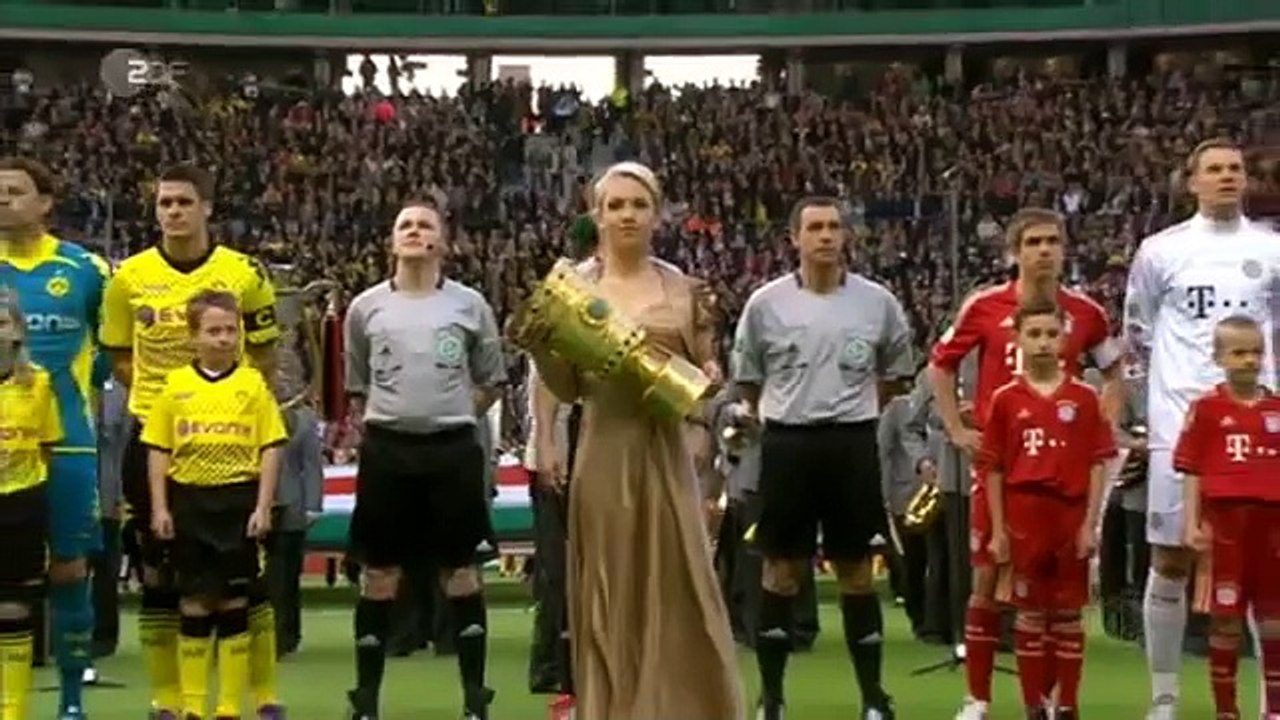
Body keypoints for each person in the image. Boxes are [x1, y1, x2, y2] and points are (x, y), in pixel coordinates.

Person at [523, 161, 742, 719]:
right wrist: (545, 348)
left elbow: (707, 372)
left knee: (683, 587)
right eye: (615, 205)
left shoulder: (686, 288)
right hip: (602, 450)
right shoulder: (576, 290)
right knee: (608, 591)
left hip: (669, 453)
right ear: (596, 215)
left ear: (657, 214)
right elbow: (568, 386)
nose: (627, 214)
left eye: (638, 204)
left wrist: (704, 403)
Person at [98, 164, 282, 720]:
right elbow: (118, 353)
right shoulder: (128, 278)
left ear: (206, 207)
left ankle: (261, 695)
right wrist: (169, 400)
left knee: (244, 573)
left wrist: (225, 402)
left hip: (232, 445)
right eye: (164, 203)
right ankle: (169, 699)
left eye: (183, 201)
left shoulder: (246, 273)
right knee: (159, 570)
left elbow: (267, 352)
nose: (172, 211)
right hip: (155, 443)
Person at [927, 207, 1122, 720]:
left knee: (1058, 597)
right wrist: (955, 427)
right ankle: (979, 698)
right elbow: (940, 364)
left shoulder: (1087, 313)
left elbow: (1116, 370)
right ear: (1015, 251)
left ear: (1064, 248)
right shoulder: (985, 306)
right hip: (1000, 466)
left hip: (1061, 474)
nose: (1044, 250)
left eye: (1053, 241)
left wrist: (1101, 424)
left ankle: (1052, 702)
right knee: (988, 580)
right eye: (1033, 241)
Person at [732, 195, 915, 720]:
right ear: (795, 238)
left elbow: (897, 373)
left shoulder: (877, 302)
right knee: (781, 571)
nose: (826, 236)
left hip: (852, 445)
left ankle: (874, 698)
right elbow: (748, 379)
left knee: (857, 571)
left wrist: (851, 408)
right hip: (788, 445)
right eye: (815, 227)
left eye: (835, 226)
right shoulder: (765, 304)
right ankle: (772, 697)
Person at [1123, 138, 1280, 719]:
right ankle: (1164, 699)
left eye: (1236, 168)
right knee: (1170, 557)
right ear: (1191, 182)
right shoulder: (1160, 252)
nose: (1226, 177)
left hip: (1259, 431)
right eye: (1213, 169)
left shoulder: (1272, 250)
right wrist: (1149, 418)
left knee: (1270, 566)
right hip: (1181, 424)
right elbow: (1136, 336)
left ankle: (1272, 703)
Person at [342, 198, 505, 720]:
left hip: (452, 450)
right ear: (392, 241)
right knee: (380, 573)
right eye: (405, 225)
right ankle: (366, 699)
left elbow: (491, 379)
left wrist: (452, 411)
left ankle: (474, 698)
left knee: (461, 571)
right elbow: (357, 384)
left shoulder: (470, 305)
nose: (414, 232)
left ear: (443, 242)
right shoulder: (365, 308)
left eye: (424, 225)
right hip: (388, 449)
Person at [143, 290, 286, 720]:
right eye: (214, 331)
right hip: (190, 502)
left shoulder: (253, 386)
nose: (224, 339)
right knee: (193, 601)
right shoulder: (175, 387)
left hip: (238, 499)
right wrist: (160, 507)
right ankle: (191, 706)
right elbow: (158, 449)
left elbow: (271, 447)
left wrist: (263, 506)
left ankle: (228, 706)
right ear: (193, 337)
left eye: (231, 330)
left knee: (235, 602)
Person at [0, 156, 110, 720]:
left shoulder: (85, 268)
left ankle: (71, 701)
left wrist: (77, 398)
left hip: (66, 439)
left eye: (15, 191)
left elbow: (111, 349)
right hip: (2, 443)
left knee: (69, 567)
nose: (3, 200)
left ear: (45, 202)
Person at [979, 299, 1115, 720]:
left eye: (1051, 334)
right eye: (1033, 334)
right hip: (1024, 512)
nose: (1042, 343)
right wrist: (999, 531)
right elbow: (995, 469)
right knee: (1031, 614)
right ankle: (1034, 704)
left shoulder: (1085, 397)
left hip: (1070, 513)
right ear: (1018, 339)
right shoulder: (1005, 399)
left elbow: (1097, 462)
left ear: (1065, 339)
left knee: (1069, 615)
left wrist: (1091, 523)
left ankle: (1068, 702)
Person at [1174, 315, 1280, 719]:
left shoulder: (1276, 408)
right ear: (1219, 357)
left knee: (1274, 621)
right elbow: (1192, 469)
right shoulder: (1206, 409)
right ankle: (1226, 709)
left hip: (1272, 526)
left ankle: (1274, 709)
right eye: (1239, 352)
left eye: (1255, 351)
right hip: (1226, 526)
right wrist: (1191, 522)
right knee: (1226, 621)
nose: (1249, 360)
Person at [0, 290, 63, 718]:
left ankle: (13, 708)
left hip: (22, 504)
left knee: (14, 606)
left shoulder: (38, 383)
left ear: (18, 330)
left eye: (2, 322)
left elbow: (47, 447)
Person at [878, 372, 934, 637]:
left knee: (936, 556)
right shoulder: (897, 409)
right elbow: (883, 451)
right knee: (913, 560)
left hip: (940, 490)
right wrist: (884, 495)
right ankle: (918, 616)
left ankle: (935, 616)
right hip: (906, 495)